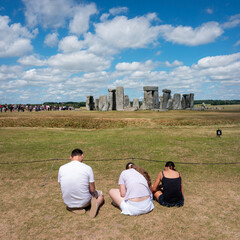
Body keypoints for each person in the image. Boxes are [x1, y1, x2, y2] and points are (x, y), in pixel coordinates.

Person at [58, 149, 104, 218]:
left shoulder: (61, 168)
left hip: (68, 202)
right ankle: (96, 204)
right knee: (100, 194)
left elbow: (61, 185)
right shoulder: (87, 168)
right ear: (82, 156)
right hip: (84, 202)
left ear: (70, 157)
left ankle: (72, 208)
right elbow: (92, 189)